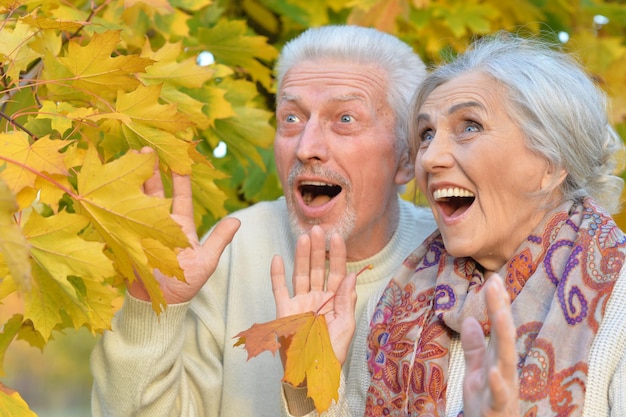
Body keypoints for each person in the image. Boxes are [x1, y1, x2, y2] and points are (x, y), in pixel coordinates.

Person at [90, 25, 437, 417]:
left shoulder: (449, 262)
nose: (307, 147)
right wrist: (150, 308)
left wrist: (308, 387)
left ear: (407, 158)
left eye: (344, 118)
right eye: (291, 118)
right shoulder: (234, 248)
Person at [275, 31, 626, 416]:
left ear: (551, 165)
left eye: (469, 126)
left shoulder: (619, 300)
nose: (429, 158)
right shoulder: (398, 305)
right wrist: (310, 382)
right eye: (426, 134)